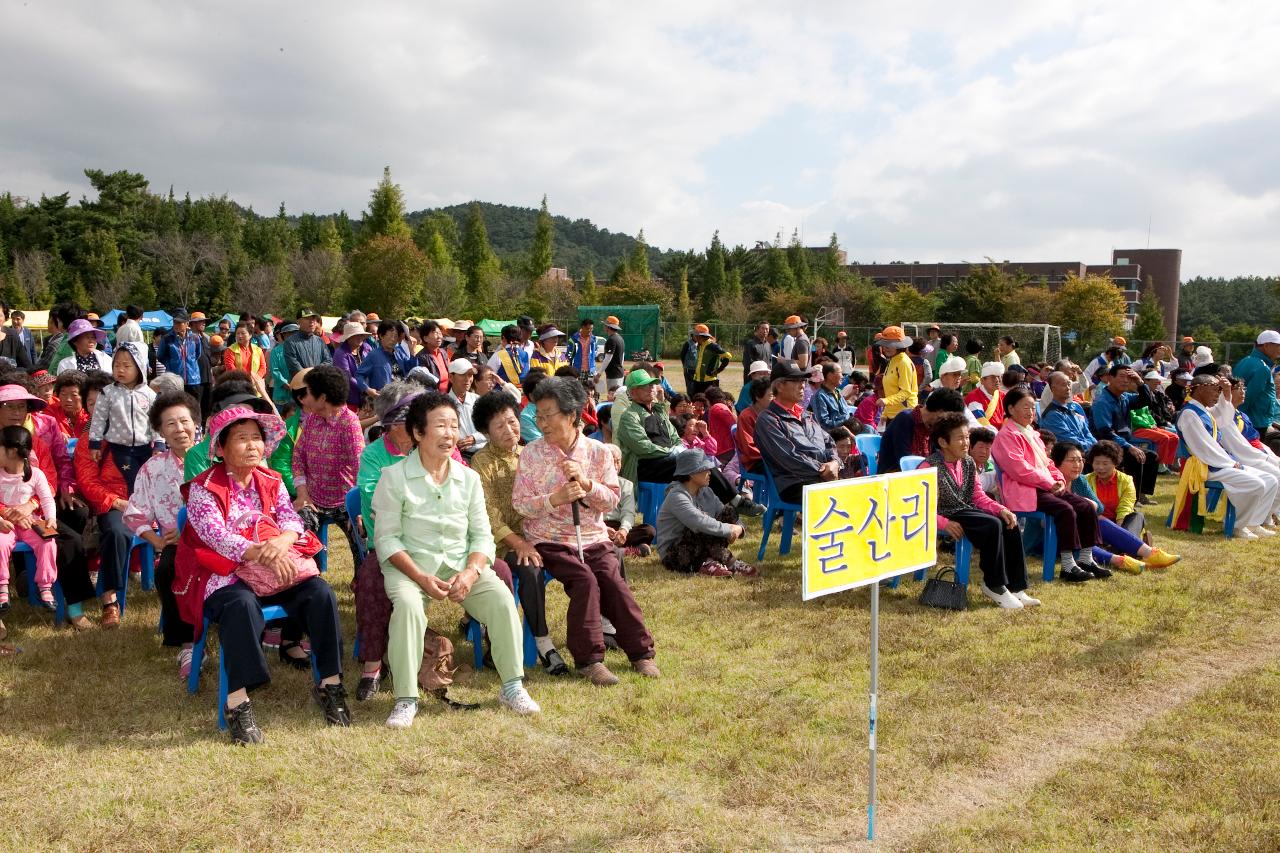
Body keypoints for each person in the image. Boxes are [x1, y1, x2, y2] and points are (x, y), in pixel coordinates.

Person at [176, 404, 348, 744]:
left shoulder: (270, 480)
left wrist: (282, 543)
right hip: (225, 574)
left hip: (274, 566)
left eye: (257, 438)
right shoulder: (203, 488)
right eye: (242, 439)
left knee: (320, 593)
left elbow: (290, 519)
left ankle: (330, 684)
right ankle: (237, 703)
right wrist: (262, 554)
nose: (253, 445)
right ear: (221, 448)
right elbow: (217, 537)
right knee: (241, 607)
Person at [370, 392, 538, 727]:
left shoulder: (468, 478)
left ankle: (511, 685)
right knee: (408, 607)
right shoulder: (394, 478)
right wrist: (420, 578)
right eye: (440, 426)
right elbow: (386, 539)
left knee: (502, 599)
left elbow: (482, 535)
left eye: (452, 425)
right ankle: (406, 698)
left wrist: (473, 571)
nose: (449, 434)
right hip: (411, 568)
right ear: (418, 433)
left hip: (461, 566)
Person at [512, 376, 658, 686]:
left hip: (592, 536)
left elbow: (612, 499)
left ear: (572, 415)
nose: (541, 422)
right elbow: (521, 505)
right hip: (548, 539)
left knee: (613, 582)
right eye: (538, 415)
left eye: (548, 414)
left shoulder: (599, 452)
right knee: (585, 580)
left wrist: (587, 484)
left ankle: (640, 652)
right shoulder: (531, 454)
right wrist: (554, 499)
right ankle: (589, 659)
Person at [469, 389, 569, 676]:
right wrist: (518, 543)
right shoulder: (481, 463)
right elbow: (488, 515)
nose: (509, 429)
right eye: (499, 425)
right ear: (486, 432)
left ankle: (603, 627)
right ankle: (543, 643)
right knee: (529, 568)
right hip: (500, 542)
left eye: (512, 421)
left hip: (537, 535)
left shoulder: (531, 454)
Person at [991, 386, 1107, 582]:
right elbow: (1019, 469)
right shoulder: (1006, 436)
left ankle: (1086, 559)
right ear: (1010, 409)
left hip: (1045, 487)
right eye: (1025, 407)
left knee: (1086, 506)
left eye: (1032, 407)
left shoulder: (1032, 433)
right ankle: (1068, 565)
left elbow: (1048, 463)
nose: (1031, 412)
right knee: (1065, 509)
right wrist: (1049, 483)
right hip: (1025, 490)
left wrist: (1059, 479)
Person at [924, 413, 1038, 609]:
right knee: (992, 524)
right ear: (943, 442)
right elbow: (920, 508)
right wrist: (943, 523)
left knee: (1007, 521)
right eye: (960, 438)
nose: (966, 442)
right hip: (946, 513)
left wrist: (1001, 508)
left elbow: (978, 496)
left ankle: (1016, 586)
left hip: (965, 510)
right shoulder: (928, 467)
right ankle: (994, 584)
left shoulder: (967, 462)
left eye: (967, 437)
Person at [123, 391, 200, 677]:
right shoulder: (153, 469)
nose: (179, 429)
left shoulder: (217, 458)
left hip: (221, 539)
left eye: (184, 421)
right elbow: (134, 513)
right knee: (167, 567)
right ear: (160, 431)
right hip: (178, 543)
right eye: (170, 424)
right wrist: (156, 540)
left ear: (196, 423)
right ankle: (188, 644)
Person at [614, 369, 761, 514]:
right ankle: (732, 502)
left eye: (652, 385)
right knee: (695, 461)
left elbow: (674, 436)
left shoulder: (657, 412)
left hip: (668, 463)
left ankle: (722, 509)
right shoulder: (630, 417)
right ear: (632, 392)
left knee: (698, 462)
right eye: (644, 386)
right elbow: (643, 448)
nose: (651, 388)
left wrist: (679, 448)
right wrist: (672, 452)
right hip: (646, 466)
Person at [1171, 374, 1280, 540]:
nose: (1218, 394)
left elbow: (1224, 417)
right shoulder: (1189, 414)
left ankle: (1253, 523)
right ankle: (1237, 525)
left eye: (1219, 390)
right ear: (1200, 389)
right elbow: (1204, 448)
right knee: (1256, 483)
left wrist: (1227, 391)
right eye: (1215, 389)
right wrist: (1230, 463)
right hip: (1203, 466)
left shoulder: (1203, 410)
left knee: (1270, 480)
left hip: (1217, 462)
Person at [292, 365, 365, 569]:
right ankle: (310, 578)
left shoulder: (349, 423)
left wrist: (358, 509)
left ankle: (361, 580)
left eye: (307, 393)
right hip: (313, 500)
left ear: (322, 397)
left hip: (344, 503)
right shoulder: (312, 419)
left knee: (362, 549)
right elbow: (298, 457)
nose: (303, 399)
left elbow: (360, 467)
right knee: (297, 534)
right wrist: (302, 493)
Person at [655, 449, 756, 577]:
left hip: (701, 545)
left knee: (728, 513)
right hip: (675, 553)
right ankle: (718, 562)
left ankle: (714, 561)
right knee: (702, 525)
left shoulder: (706, 491)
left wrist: (740, 527)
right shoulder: (676, 496)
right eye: (705, 469)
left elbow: (723, 512)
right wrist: (729, 530)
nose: (709, 473)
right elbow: (699, 522)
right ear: (691, 473)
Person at [754, 361, 839, 503]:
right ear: (779, 386)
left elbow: (828, 441)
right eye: (796, 381)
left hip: (820, 477)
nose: (802, 385)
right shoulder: (768, 420)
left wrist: (835, 462)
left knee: (862, 492)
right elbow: (788, 457)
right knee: (839, 500)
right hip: (794, 483)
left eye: (803, 380)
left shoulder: (806, 415)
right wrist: (823, 469)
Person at [0, 425, 60, 611]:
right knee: (0, 543)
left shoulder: (36, 474)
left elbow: (47, 500)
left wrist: (51, 519)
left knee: (48, 543)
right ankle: (2, 587)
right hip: (4, 524)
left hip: (30, 521)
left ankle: (45, 586)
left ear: (12, 451)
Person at [87, 343, 155, 490]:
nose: (120, 370)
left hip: (145, 447)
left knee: (149, 481)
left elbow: (156, 420)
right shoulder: (108, 392)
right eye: (116, 365)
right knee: (135, 482)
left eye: (126, 366)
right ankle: (136, 511)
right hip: (121, 449)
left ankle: (147, 510)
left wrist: (160, 442)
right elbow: (98, 418)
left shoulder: (149, 394)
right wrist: (95, 443)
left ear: (139, 368)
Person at [1090, 364, 1159, 504]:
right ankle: (1131, 497)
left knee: (1151, 456)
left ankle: (1140, 494)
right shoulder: (1102, 401)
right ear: (1110, 378)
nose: (1126, 380)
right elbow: (1105, 432)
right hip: (1104, 445)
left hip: (1122, 443)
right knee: (1135, 457)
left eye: (1129, 377)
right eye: (1121, 376)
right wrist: (1128, 446)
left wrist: (1140, 383)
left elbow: (1147, 401)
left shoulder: (1124, 397)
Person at [879, 389, 964, 474]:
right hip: (896, 477)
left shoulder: (933, 427)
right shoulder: (905, 419)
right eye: (949, 419)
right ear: (941, 412)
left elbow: (937, 457)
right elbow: (904, 459)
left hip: (923, 476)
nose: (948, 424)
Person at [601, 443, 656, 556]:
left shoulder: (626, 485)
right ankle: (627, 550)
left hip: (618, 527)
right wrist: (603, 528)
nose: (616, 466)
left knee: (649, 531)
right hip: (597, 526)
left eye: (618, 461)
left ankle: (613, 546)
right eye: (612, 461)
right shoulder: (591, 483)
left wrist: (623, 531)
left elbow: (628, 512)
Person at [1085, 439, 1145, 538]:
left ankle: (1123, 544)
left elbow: (1125, 507)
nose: (1100, 467)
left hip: (1120, 523)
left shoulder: (1126, 481)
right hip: (1097, 524)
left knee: (1137, 516)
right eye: (1097, 463)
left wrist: (1118, 532)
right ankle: (1128, 547)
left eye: (1105, 463)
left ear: (1115, 463)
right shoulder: (1085, 480)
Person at [1234, 329, 1280, 456]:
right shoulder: (1262, 368)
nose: (1279, 349)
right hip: (1256, 422)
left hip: (1246, 419)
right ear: (1266, 345)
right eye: (1277, 345)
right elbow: (1247, 398)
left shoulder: (1245, 361)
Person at [157, 311, 208, 406]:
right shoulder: (167, 338)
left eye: (179, 322)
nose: (176, 325)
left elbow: (197, 354)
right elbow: (160, 356)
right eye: (175, 322)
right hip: (174, 380)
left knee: (193, 407)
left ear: (187, 323)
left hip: (193, 380)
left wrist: (190, 365)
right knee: (175, 406)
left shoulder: (195, 338)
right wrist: (171, 365)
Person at [357, 319, 416, 396]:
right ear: (381, 336)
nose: (393, 339)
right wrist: (367, 389)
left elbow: (411, 369)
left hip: (401, 397)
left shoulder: (399, 352)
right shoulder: (374, 355)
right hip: (383, 400)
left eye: (395, 336)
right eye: (391, 336)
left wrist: (411, 350)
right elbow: (359, 375)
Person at [445, 358, 486, 458]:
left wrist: (475, 438)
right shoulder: (443, 404)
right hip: (459, 457)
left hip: (484, 453)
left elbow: (489, 428)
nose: (468, 379)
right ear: (451, 377)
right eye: (463, 374)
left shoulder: (478, 400)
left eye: (470, 375)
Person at [877, 326, 918, 423]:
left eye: (890, 344)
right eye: (884, 344)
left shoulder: (903, 362)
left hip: (905, 415)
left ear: (900, 345)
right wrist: (885, 413)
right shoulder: (892, 360)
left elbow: (906, 392)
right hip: (893, 415)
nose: (886, 348)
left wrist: (886, 401)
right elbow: (891, 391)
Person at [329, 321, 372, 409]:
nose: (359, 338)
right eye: (356, 335)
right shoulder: (340, 354)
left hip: (368, 397)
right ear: (348, 338)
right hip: (350, 399)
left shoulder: (367, 348)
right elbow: (347, 377)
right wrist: (366, 388)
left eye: (361, 335)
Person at [736, 378, 773, 477]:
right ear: (758, 397)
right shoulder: (746, 416)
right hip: (756, 461)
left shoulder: (772, 414)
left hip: (772, 457)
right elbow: (749, 448)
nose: (774, 399)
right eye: (771, 395)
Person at [809, 362, 860, 433]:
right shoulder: (819, 396)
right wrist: (845, 423)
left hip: (844, 430)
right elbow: (823, 423)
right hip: (832, 435)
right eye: (840, 373)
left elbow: (845, 413)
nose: (842, 376)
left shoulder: (837, 392)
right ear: (830, 376)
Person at [283, 311, 332, 378]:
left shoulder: (320, 341)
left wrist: (316, 372)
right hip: (300, 384)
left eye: (313, 318)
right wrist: (311, 376)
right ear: (298, 322)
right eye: (307, 318)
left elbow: (328, 361)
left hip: (320, 382)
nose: (312, 321)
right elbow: (294, 366)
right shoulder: (290, 342)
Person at [488, 324, 531, 391]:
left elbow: (489, 376)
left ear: (504, 338)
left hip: (502, 395)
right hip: (522, 394)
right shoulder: (526, 355)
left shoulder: (498, 355)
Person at [965, 362, 1006, 428]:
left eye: (998, 377)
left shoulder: (1003, 396)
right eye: (993, 377)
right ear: (982, 381)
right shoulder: (973, 397)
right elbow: (980, 421)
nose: (997, 380)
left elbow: (1008, 417)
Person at [50, 371, 89, 437]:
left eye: (74, 395)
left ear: (84, 396)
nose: (68, 399)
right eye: (63, 394)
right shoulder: (50, 412)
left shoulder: (91, 415)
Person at [268, 322, 298, 408]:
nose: (291, 337)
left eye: (294, 334)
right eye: (288, 334)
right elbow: (274, 370)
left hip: (299, 393)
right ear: (283, 336)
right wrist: (285, 384)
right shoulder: (276, 351)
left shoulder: (301, 349)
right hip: (281, 394)